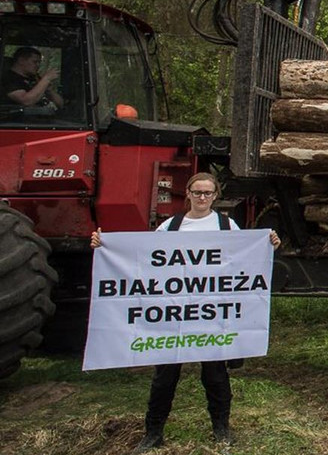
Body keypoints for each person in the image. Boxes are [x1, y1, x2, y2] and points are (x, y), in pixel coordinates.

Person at [91, 173, 280, 453]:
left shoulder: (227, 226)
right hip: (173, 319)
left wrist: (270, 243)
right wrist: (103, 245)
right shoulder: (171, 227)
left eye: (207, 193)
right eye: (197, 192)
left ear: (215, 196)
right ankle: (153, 433)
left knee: (216, 376)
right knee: (165, 377)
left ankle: (221, 429)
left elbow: (244, 260)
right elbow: (143, 259)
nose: (202, 198)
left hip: (211, 317)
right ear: (188, 194)